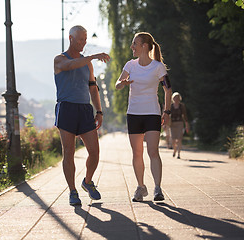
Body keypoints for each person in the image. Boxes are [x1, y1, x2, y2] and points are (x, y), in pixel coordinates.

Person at [53, 25, 110, 206]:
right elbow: (70, 65)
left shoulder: (87, 64)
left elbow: (93, 88)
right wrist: (91, 57)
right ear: (70, 38)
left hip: (85, 110)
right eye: (80, 39)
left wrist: (99, 111)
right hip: (66, 109)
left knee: (94, 152)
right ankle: (72, 191)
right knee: (68, 152)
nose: (83, 43)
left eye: (85, 39)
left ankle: (87, 181)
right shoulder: (59, 59)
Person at [115, 32, 172, 202]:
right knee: (137, 153)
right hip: (133, 113)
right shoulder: (130, 65)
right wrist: (123, 83)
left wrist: (167, 111)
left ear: (144, 46)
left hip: (152, 113)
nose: (132, 47)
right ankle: (141, 187)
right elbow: (118, 84)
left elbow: (168, 89)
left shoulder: (157, 67)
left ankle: (157, 188)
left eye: (135, 44)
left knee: (153, 151)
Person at [170, 92, 189, 159]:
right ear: (173, 98)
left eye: (177, 98)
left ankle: (178, 154)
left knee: (179, 139)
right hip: (172, 124)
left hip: (180, 123)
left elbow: (185, 116)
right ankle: (175, 150)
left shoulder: (181, 106)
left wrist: (186, 125)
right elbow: (167, 115)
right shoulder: (171, 106)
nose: (176, 99)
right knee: (173, 139)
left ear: (179, 98)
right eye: (175, 97)